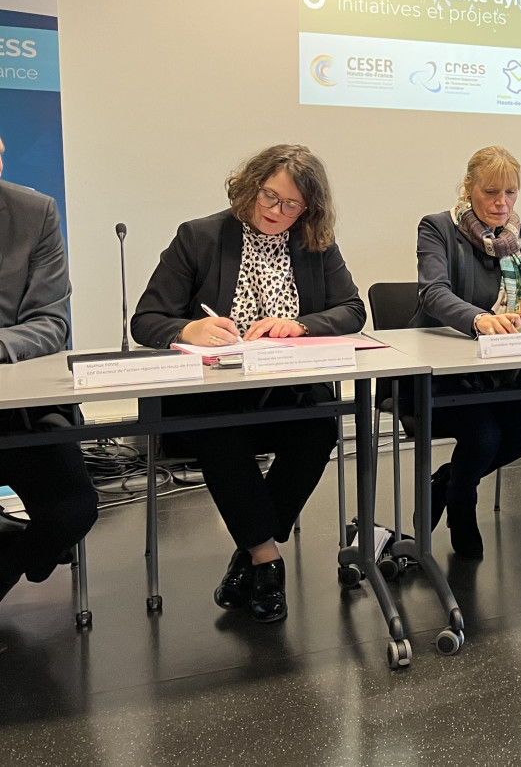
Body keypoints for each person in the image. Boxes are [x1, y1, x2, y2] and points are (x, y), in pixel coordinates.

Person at [131, 144, 365, 623]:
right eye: (269, 197)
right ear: (250, 186)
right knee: (221, 432)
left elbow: (352, 310)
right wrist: (185, 330)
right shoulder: (199, 237)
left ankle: (249, 549)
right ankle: (266, 560)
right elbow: (146, 319)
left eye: (292, 205)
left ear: (309, 209)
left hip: (286, 389)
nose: (277, 212)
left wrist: (300, 325)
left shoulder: (314, 242)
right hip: (209, 395)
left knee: (320, 428)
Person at [409, 146, 521, 558]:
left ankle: (449, 482)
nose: (502, 203)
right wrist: (477, 319)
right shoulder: (438, 227)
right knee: (485, 435)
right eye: (491, 192)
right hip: (445, 371)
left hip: (502, 367)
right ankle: (462, 502)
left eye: (511, 193)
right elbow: (433, 293)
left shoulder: (516, 234)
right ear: (468, 188)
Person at [0, 134, 98, 604]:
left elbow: (50, 322)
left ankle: (14, 552)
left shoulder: (34, 213)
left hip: (19, 408)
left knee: (73, 509)